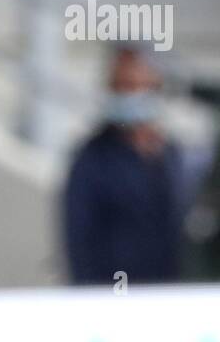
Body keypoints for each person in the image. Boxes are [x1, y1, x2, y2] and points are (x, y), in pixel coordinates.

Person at [63, 46, 185, 285]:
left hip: (168, 299)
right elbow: (78, 242)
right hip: (113, 302)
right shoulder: (91, 158)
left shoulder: (170, 153)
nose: (130, 96)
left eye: (137, 86)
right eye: (121, 87)